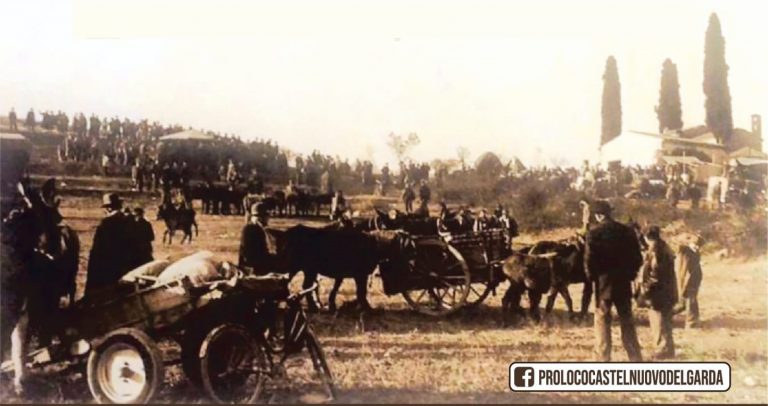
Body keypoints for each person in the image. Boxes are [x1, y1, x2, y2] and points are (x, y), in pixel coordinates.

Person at [584, 200, 643, 362]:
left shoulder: (593, 234)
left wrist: (593, 277)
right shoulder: (627, 231)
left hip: (603, 284)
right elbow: (638, 258)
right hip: (623, 282)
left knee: (602, 319)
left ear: (598, 215)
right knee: (627, 320)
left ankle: (602, 359)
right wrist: (630, 274)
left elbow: (589, 261)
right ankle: (635, 357)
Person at [638, 226, 678, 359]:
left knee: (658, 321)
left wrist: (645, 290)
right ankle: (667, 348)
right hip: (666, 292)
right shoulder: (664, 248)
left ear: (646, 237)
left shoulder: (656, 251)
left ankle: (662, 349)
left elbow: (655, 275)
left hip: (658, 293)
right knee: (665, 321)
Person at [85, 194, 133, 295]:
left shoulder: (105, 224)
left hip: (108, 265)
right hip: (127, 264)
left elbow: (97, 250)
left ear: (109, 209)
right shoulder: (129, 221)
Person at [674, 235, 704, 328]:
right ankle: (691, 320)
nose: (696, 246)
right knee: (685, 299)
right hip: (686, 276)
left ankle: (692, 321)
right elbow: (678, 244)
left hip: (692, 277)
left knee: (690, 298)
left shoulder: (692, 251)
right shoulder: (684, 249)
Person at [238, 203, 271, 275]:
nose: (268, 219)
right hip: (252, 267)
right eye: (266, 217)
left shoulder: (257, 228)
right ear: (260, 218)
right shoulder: (249, 230)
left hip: (256, 264)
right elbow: (248, 254)